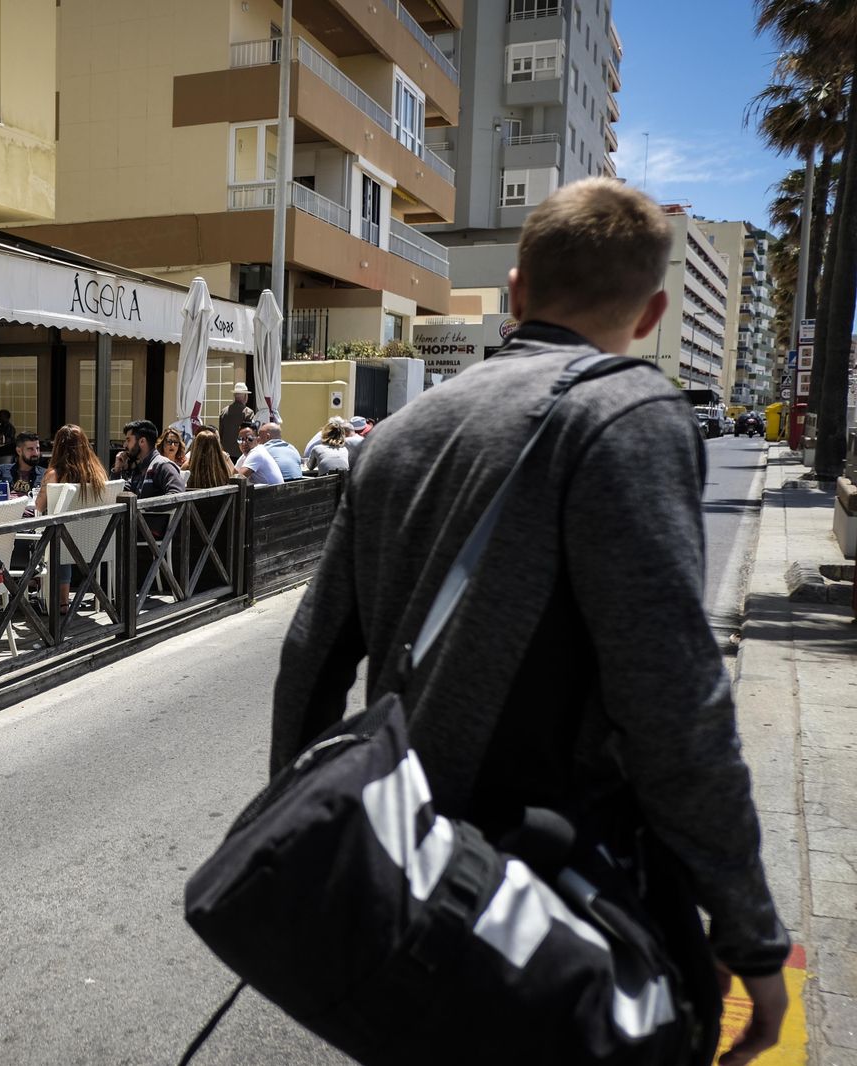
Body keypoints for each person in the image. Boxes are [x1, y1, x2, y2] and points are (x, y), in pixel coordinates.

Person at [270, 178, 789, 1066]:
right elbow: (674, 706)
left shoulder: (398, 435)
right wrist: (750, 932)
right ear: (653, 310)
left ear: (515, 292)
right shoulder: (631, 418)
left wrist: (308, 851)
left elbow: (309, 660)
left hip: (409, 881)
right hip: (551, 913)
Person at [32, 424, 109, 614]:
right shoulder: (98, 473)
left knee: (56, 536)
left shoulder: (54, 474)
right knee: (61, 535)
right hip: (97, 539)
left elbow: (38, 506)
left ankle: (60, 600)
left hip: (65, 542)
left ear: (58, 447)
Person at [111, 419, 186, 499]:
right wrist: (117, 470)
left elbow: (178, 495)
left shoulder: (162, 466)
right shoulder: (138, 469)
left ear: (142, 441)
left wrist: (149, 505)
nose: (125, 445)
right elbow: (118, 495)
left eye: (128, 440)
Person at [0, 432, 46, 497]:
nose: (36, 453)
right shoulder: (2, 471)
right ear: (19, 451)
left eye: (37, 448)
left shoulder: (45, 474)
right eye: (30, 449)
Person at [234, 422, 283, 486]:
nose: (243, 443)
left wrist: (226, 458)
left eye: (249, 439)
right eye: (240, 439)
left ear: (258, 440)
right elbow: (233, 475)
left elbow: (237, 479)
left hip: (273, 492)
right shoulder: (244, 456)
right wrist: (226, 457)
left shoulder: (257, 453)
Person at [217, 384, 256, 461]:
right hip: (241, 453)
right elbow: (249, 434)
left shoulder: (224, 411)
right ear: (245, 396)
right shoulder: (248, 412)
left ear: (234, 396)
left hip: (225, 453)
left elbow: (220, 432)